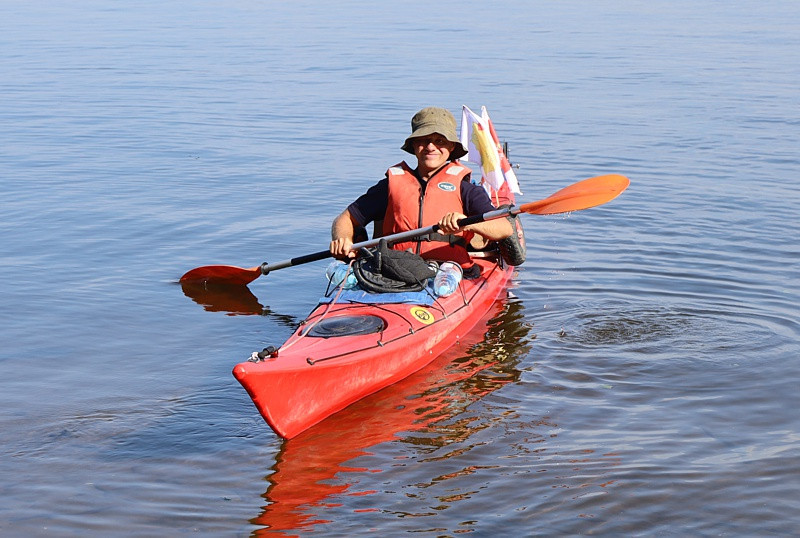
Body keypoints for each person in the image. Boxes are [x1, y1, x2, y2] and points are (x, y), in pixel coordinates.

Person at [330, 106, 512, 271]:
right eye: (423, 140)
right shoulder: (389, 186)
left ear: (451, 147)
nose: (431, 147)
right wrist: (343, 239)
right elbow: (345, 219)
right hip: (394, 269)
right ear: (414, 146)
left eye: (440, 141)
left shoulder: (467, 190)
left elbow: (504, 228)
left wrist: (467, 221)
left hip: (447, 272)